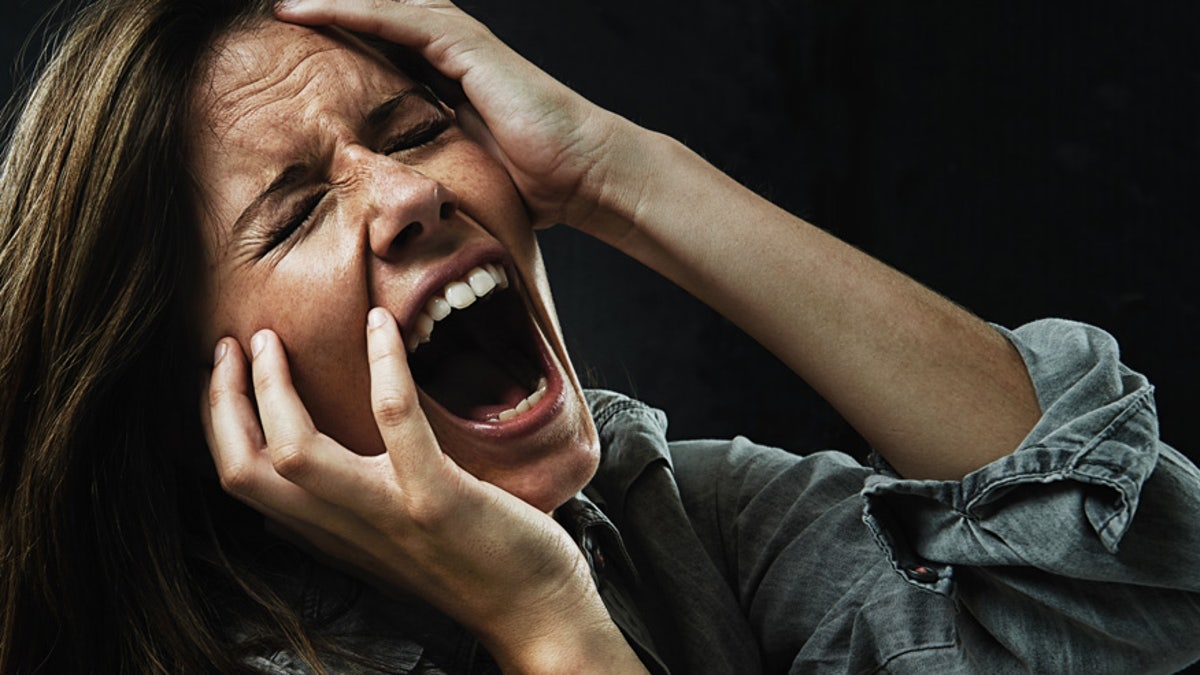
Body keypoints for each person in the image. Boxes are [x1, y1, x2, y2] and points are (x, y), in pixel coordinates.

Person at [1, 0, 1197, 672]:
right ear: (192, 390)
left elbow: (1144, 608)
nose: (409, 195)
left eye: (417, 129)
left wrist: (628, 176)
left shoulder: (672, 518)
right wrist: (545, 626)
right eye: (301, 208)